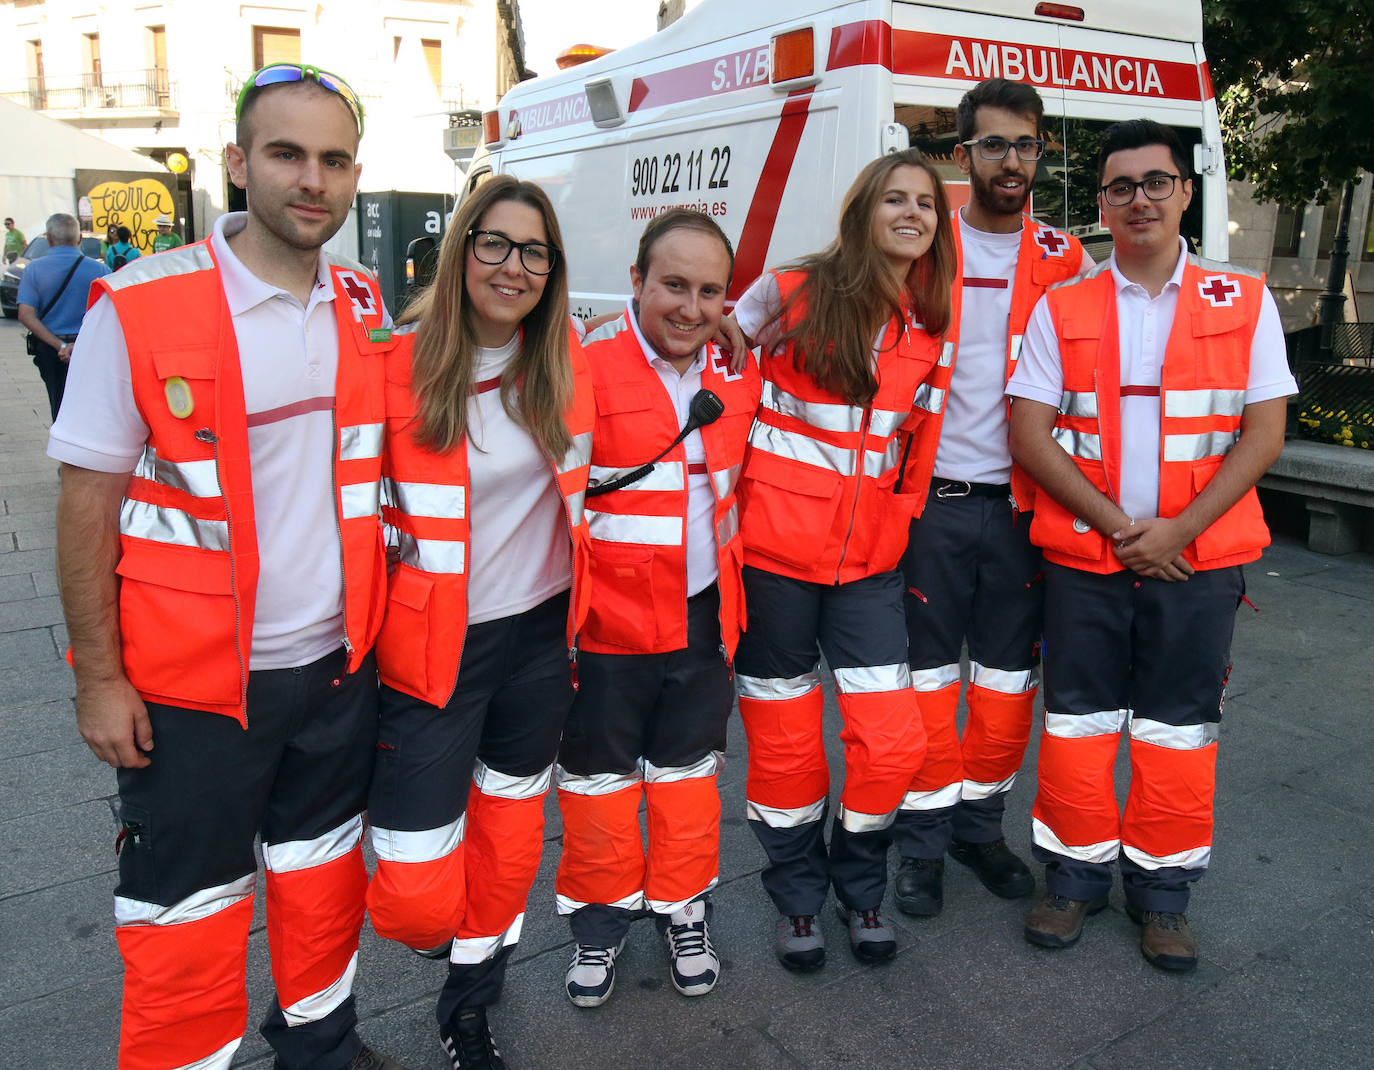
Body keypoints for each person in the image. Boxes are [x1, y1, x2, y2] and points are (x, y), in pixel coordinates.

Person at [48, 63, 405, 1070]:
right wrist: (100, 677)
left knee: (321, 875)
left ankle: (320, 1041)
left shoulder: (363, 302)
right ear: (237, 163)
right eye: (287, 153)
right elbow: (87, 505)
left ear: (354, 176)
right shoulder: (140, 306)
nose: (312, 178)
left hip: (334, 669)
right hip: (195, 689)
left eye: (334, 159)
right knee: (187, 909)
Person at [1007, 119, 1296, 971]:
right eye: (1121, 186)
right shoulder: (1063, 306)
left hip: (1196, 564)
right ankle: (1072, 882)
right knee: (1077, 727)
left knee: (1178, 733)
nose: (1140, 198)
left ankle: (1163, 898)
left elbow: (1265, 433)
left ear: (1185, 191)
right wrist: (1123, 530)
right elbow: (1030, 432)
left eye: (1156, 181)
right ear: (1101, 202)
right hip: (1088, 564)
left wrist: (1178, 532)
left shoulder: (1244, 301)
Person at [365, 175, 593, 1068]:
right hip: (431, 647)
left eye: (535, 251)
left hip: (537, 642)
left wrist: (739, 316)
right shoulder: (390, 363)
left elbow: (677, 342)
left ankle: (472, 1002)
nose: (514, 265)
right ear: (460, 251)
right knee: (417, 888)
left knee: (505, 843)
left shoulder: (568, 363)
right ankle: (442, 938)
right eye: (494, 243)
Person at [727, 148, 955, 970]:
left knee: (891, 745)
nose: (910, 213)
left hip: (868, 571)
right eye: (894, 198)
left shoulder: (931, 327)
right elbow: (714, 368)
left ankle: (861, 886)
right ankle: (798, 900)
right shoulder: (791, 292)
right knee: (786, 750)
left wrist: (899, 521)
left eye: (924, 203)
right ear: (863, 209)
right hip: (773, 565)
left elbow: (916, 450)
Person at [889, 79, 1093, 917]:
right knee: (927, 683)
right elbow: (823, 288)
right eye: (995, 145)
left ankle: (981, 829)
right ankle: (923, 845)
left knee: (1008, 682)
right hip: (932, 503)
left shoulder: (1067, 259)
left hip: (1021, 511)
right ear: (962, 153)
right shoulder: (926, 246)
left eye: (1028, 145)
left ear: (1041, 153)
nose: (1013, 161)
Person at [555, 209, 762, 1008]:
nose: (691, 307)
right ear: (635, 281)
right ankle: (600, 926)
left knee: (686, 781)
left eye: (711, 291)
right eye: (673, 285)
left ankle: (683, 907)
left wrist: (743, 322)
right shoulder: (581, 362)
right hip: (605, 625)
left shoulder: (738, 367)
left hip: (704, 620)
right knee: (598, 785)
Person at [16, 212, 109, 421]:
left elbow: (25, 314)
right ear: (80, 239)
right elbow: (110, 314)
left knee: (58, 403)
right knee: (93, 406)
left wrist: (61, 346)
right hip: (91, 350)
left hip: (51, 351)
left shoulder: (33, 270)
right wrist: (79, 344)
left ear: (49, 239)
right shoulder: (101, 269)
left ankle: (65, 448)